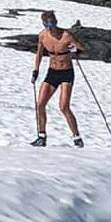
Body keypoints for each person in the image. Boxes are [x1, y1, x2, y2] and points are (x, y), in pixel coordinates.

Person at [30, 10, 84, 148]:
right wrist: (36, 70)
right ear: (44, 24)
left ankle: (77, 137)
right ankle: (41, 136)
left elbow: (83, 47)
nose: (52, 28)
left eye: (54, 24)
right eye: (49, 25)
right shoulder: (42, 35)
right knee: (40, 104)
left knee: (63, 107)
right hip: (52, 72)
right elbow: (39, 53)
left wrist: (76, 50)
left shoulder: (66, 35)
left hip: (66, 73)